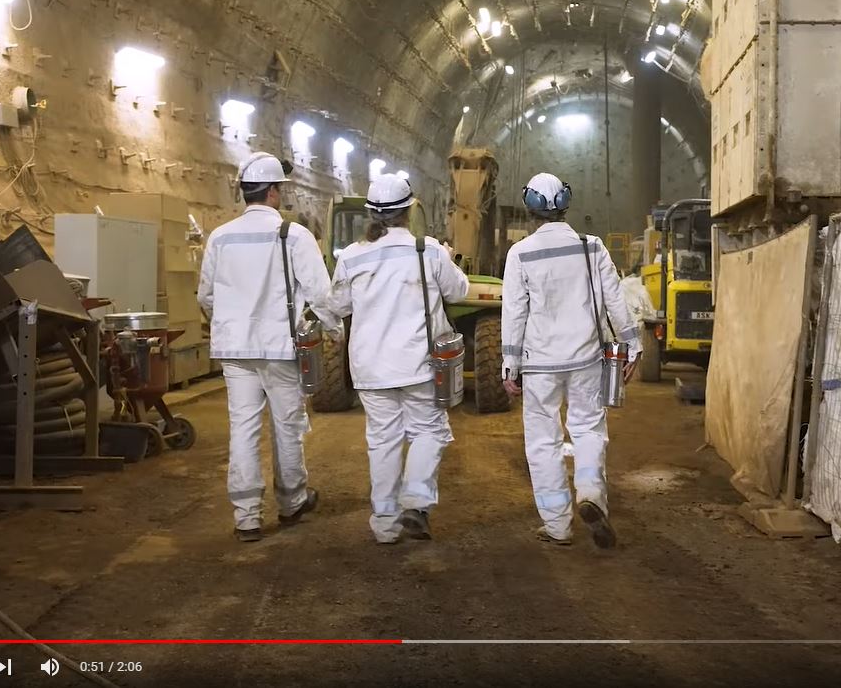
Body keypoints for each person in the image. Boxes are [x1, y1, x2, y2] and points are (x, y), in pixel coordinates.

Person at [198, 152, 340, 542]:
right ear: (275, 192)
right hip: (280, 347)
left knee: (242, 428)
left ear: (245, 193)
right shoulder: (292, 236)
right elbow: (319, 292)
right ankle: (292, 502)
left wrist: (229, 325)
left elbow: (206, 295)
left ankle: (246, 516)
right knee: (287, 425)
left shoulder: (220, 237)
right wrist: (335, 329)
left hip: (235, 351)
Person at [501, 172, 641, 549]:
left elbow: (514, 311)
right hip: (586, 359)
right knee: (588, 431)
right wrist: (632, 344)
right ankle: (591, 493)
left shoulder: (520, 253)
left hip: (539, 364)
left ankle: (558, 525)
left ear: (529, 207)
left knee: (543, 443)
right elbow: (615, 299)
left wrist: (509, 363)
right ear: (566, 202)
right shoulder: (591, 247)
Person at [328, 174, 469, 544]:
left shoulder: (352, 256)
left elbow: (338, 305)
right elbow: (459, 290)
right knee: (429, 431)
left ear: (371, 214)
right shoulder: (429, 250)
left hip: (371, 367)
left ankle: (386, 526)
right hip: (418, 363)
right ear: (410, 210)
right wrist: (450, 259)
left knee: (383, 439)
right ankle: (417, 502)